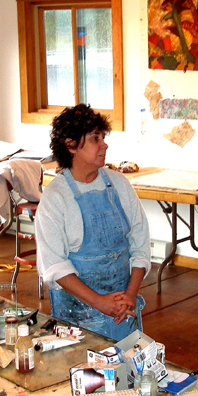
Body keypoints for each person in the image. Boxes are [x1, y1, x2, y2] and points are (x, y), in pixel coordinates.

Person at [35, 104, 151, 341]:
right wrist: (99, 302)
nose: (104, 144)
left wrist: (130, 294)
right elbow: (55, 266)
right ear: (71, 145)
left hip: (123, 313)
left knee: (127, 371)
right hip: (78, 319)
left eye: (103, 137)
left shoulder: (119, 184)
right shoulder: (56, 197)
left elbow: (140, 243)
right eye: (95, 138)